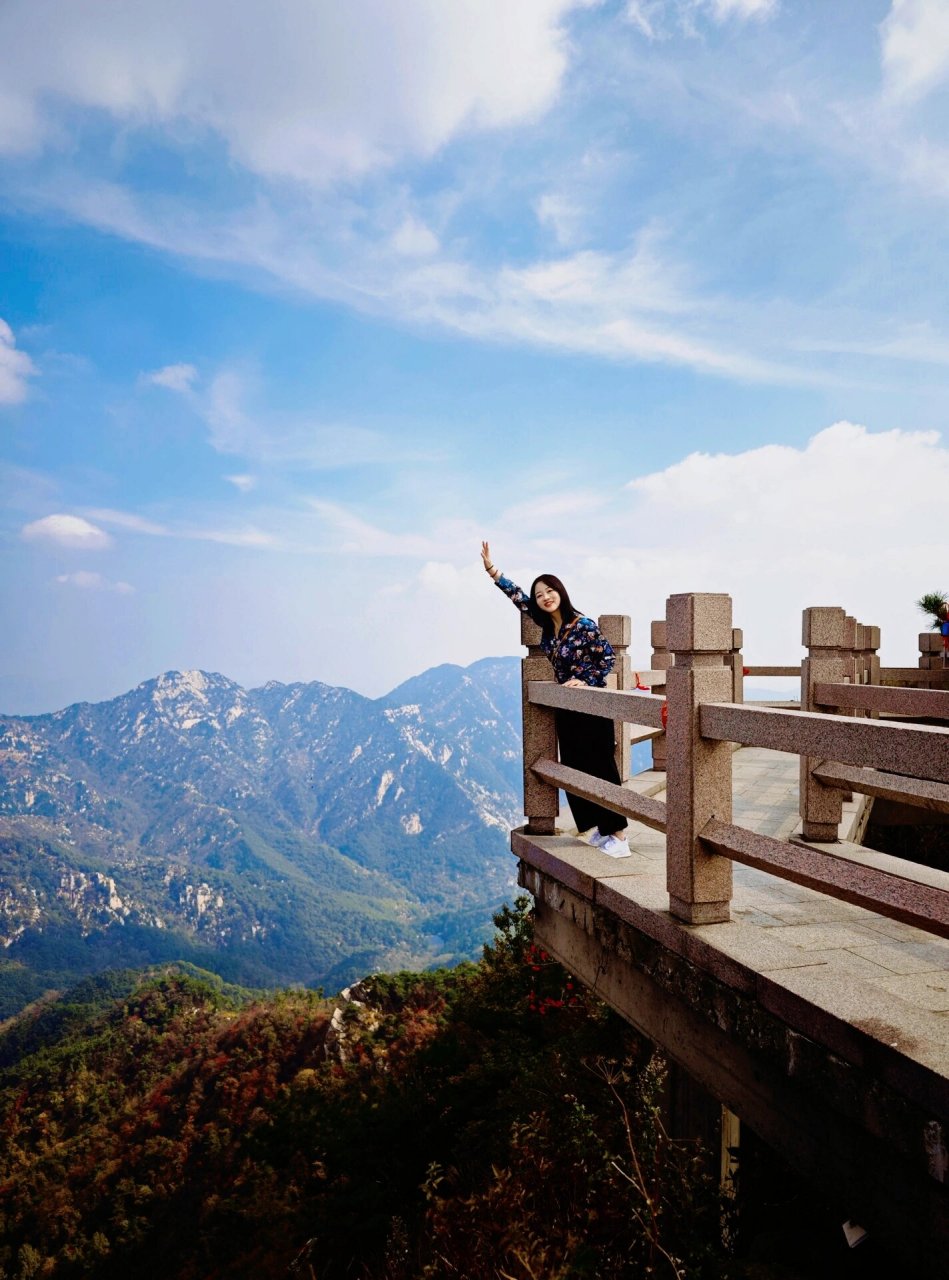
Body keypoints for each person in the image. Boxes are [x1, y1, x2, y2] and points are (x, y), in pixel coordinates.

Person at [481, 541, 631, 858]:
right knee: (576, 765)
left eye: (549, 591)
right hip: (568, 706)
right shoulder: (550, 628)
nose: (545, 597)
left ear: (560, 591)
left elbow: (608, 660)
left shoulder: (584, 625)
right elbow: (520, 600)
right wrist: (495, 573)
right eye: (540, 594)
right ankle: (601, 830)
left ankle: (619, 833)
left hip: (591, 703)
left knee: (600, 764)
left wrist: (586, 680)